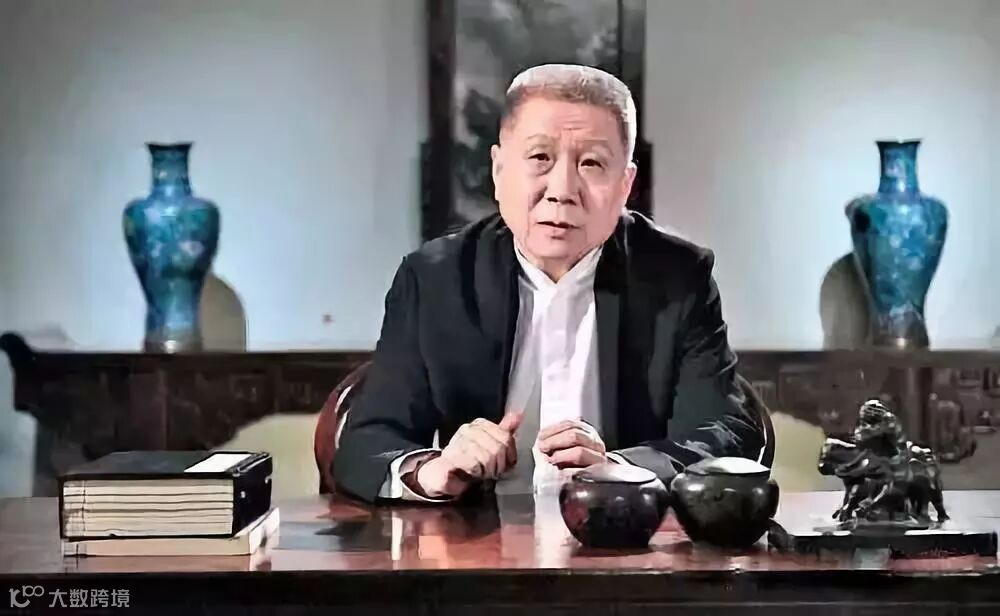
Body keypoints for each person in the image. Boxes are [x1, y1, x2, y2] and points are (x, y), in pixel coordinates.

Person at [333, 63, 765, 504]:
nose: (562, 190)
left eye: (592, 163)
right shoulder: (434, 279)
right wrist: (432, 470)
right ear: (499, 171)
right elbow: (365, 443)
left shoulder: (679, 277)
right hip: (472, 538)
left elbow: (726, 432)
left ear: (625, 185)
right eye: (540, 158)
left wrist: (621, 469)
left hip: (623, 536)